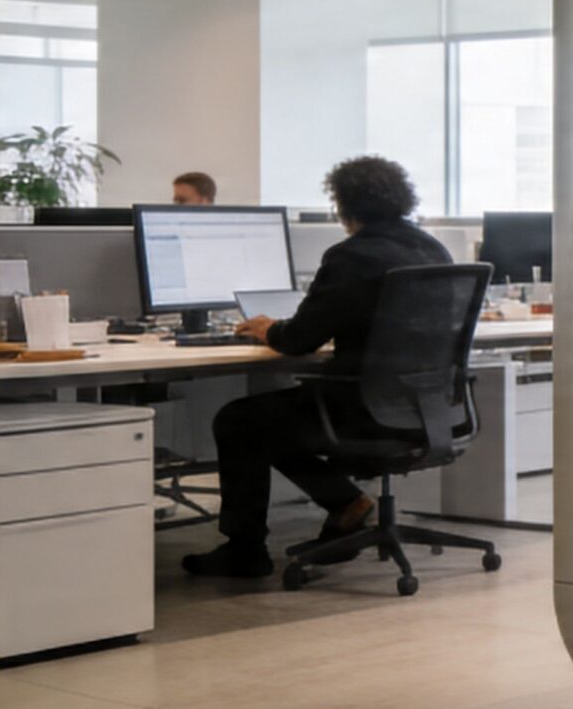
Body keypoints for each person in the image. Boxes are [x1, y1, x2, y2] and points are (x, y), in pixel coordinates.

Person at [181, 156, 451, 580]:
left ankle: (246, 551)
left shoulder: (351, 256)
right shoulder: (433, 248)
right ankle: (345, 502)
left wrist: (269, 328)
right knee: (271, 419)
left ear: (343, 205)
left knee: (240, 420)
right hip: (428, 406)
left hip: (365, 408)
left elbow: (299, 340)